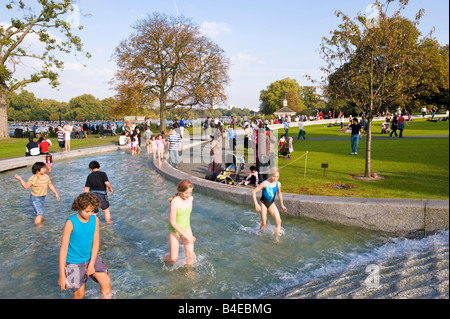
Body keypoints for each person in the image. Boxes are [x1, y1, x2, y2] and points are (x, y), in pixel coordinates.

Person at [58, 192, 111, 299]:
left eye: (92, 211)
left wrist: (91, 265)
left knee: (106, 281)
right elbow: (63, 250)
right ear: (78, 207)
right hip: (73, 262)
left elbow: (96, 243)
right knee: (79, 294)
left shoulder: (94, 219)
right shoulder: (70, 223)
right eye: (87, 211)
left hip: (91, 257)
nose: (90, 214)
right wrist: (62, 276)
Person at [164, 180, 196, 267]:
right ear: (180, 191)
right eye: (186, 193)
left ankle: (189, 274)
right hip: (174, 230)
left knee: (190, 256)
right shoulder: (175, 202)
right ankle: (162, 258)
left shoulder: (191, 199)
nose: (188, 195)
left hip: (186, 227)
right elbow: (173, 222)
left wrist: (187, 233)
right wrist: (186, 235)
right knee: (173, 259)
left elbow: (186, 216)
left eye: (190, 192)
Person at [251, 168, 287, 241]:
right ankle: (260, 235)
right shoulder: (265, 183)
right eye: (274, 176)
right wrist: (256, 204)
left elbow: (279, 193)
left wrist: (282, 204)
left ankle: (277, 238)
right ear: (270, 175)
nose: (275, 178)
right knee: (264, 223)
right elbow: (253, 192)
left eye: (277, 176)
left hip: (271, 203)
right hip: (263, 203)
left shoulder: (278, 184)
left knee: (278, 221)